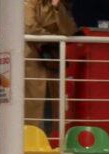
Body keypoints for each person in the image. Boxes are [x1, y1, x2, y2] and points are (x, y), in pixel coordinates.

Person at [24, 0, 75, 128]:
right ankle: (30, 135)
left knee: (54, 103)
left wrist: (58, 8)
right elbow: (30, 28)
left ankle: (52, 136)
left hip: (52, 60)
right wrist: (55, 37)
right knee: (33, 103)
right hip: (32, 57)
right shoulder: (29, 2)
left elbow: (69, 30)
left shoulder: (60, 4)